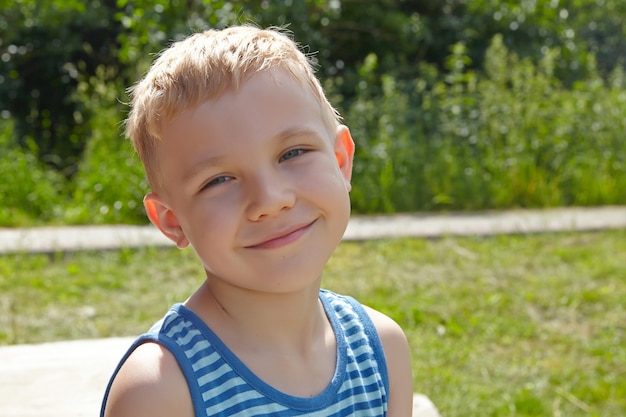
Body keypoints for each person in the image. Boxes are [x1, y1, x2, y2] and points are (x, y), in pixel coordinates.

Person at [100, 25, 413, 417]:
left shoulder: (381, 352)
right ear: (171, 220)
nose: (270, 200)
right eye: (218, 180)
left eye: (293, 153)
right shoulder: (160, 391)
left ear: (340, 161)